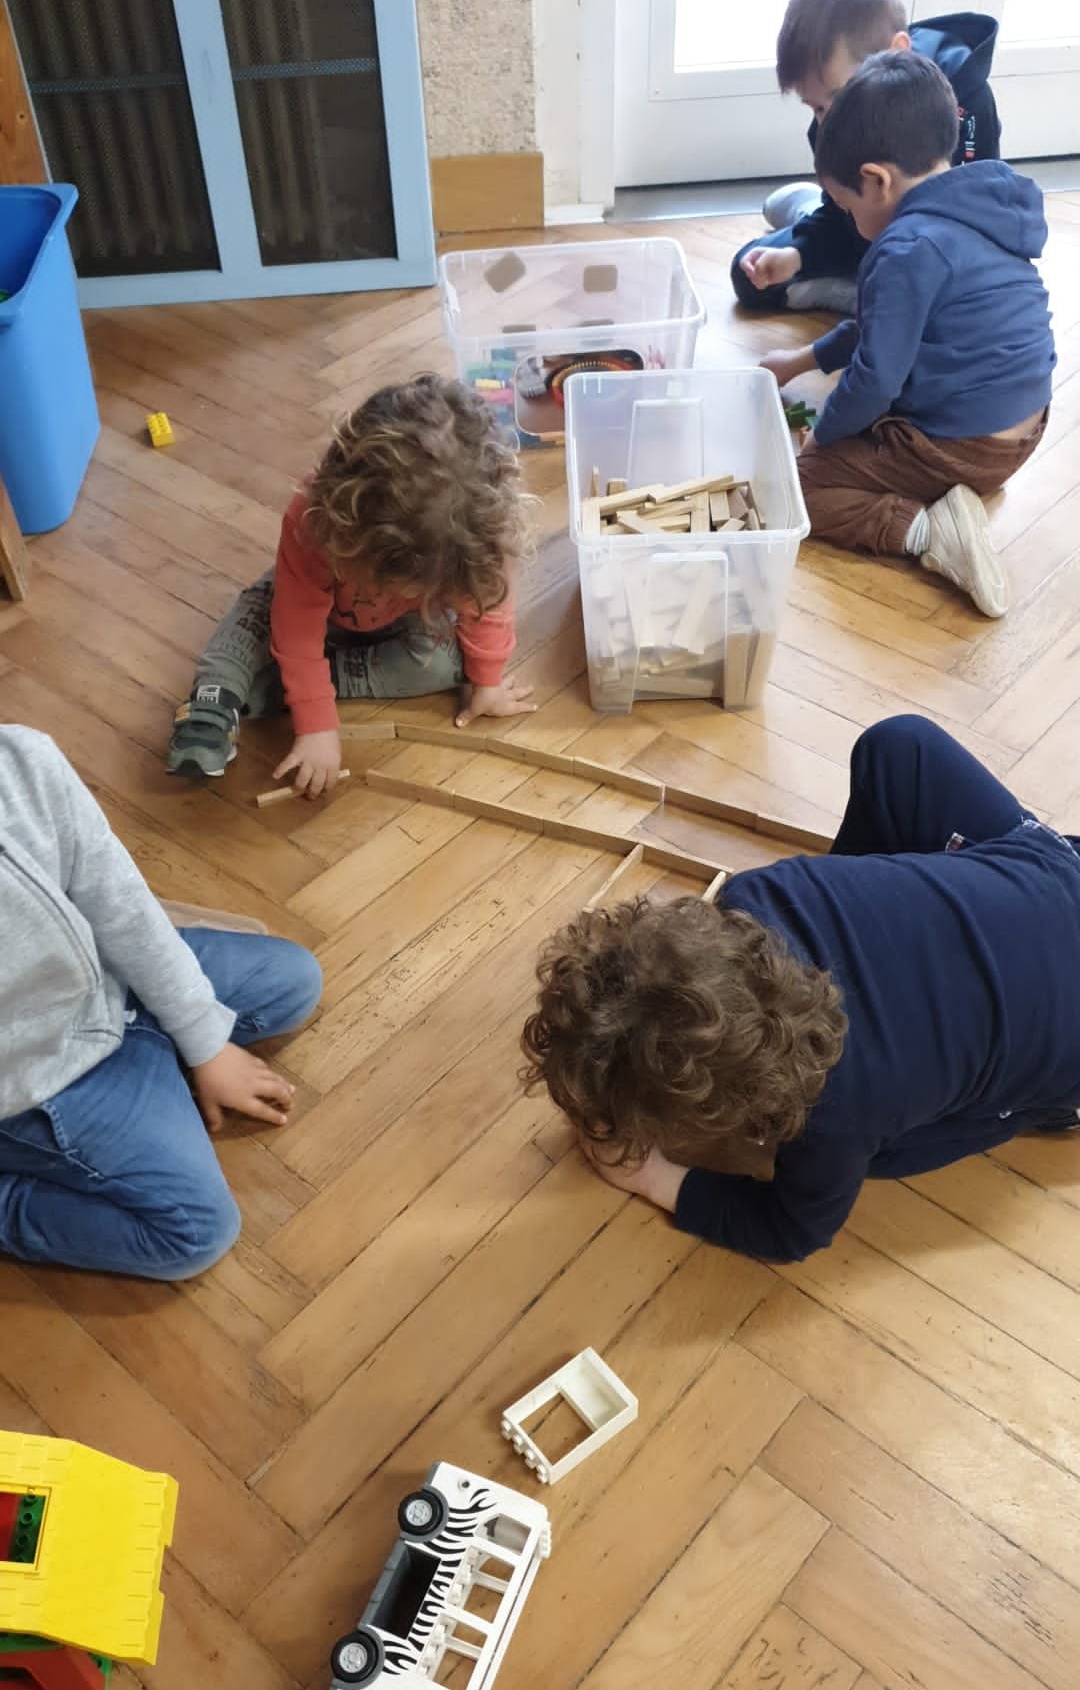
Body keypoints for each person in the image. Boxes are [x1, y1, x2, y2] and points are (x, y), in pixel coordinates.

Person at [521, 715, 1080, 1265]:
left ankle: (1056, 1106)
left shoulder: (834, 1119)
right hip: (1061, 875)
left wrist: (653, 1178)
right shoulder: (756, 895)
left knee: (885, 1154)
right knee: (896, 747)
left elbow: (791, 1230)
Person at [0, 726, 322, 1278]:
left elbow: (120, 904)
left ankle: (165, 1058)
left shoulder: (20, 759)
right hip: (40, 1078)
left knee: (295, 981)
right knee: (194, 1233)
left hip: (109, 990)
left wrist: (203, 1040)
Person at [766, 51, 1053, 619]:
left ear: (876, 181)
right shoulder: (980, 206)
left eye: (846, 207)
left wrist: (824, 437)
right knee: (863, 401)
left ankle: (929, 531)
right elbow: (880, 330)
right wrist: (801, 361)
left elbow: (875, 380)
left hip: (965, 447)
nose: (851, 223)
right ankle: (949, 489)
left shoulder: (904, 249)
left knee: (799, 489)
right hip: (1024, 431)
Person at [166, 373, 535, 794]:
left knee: (453, 666)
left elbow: (488, 607)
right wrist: (317, 727)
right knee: (251, 619)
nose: (399, 592)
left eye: (411, 585)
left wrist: (486, 682)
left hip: (401, 629)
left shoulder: (480, 540)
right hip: (308, 609)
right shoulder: (312, 518)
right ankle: (214, 697)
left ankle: (282, 688)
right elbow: (296, 629)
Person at [732, 0, 1000, 314]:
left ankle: (856, 289)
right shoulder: (831, 121)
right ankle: (813, 214)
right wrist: (798, 254)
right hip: (862, 227)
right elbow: (841, 221)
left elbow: (982, 222)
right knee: (749, 272)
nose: (828, 121)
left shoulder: (968, 103)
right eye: (817, 108)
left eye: (836, 97)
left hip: (931, 251)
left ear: (896, 52)